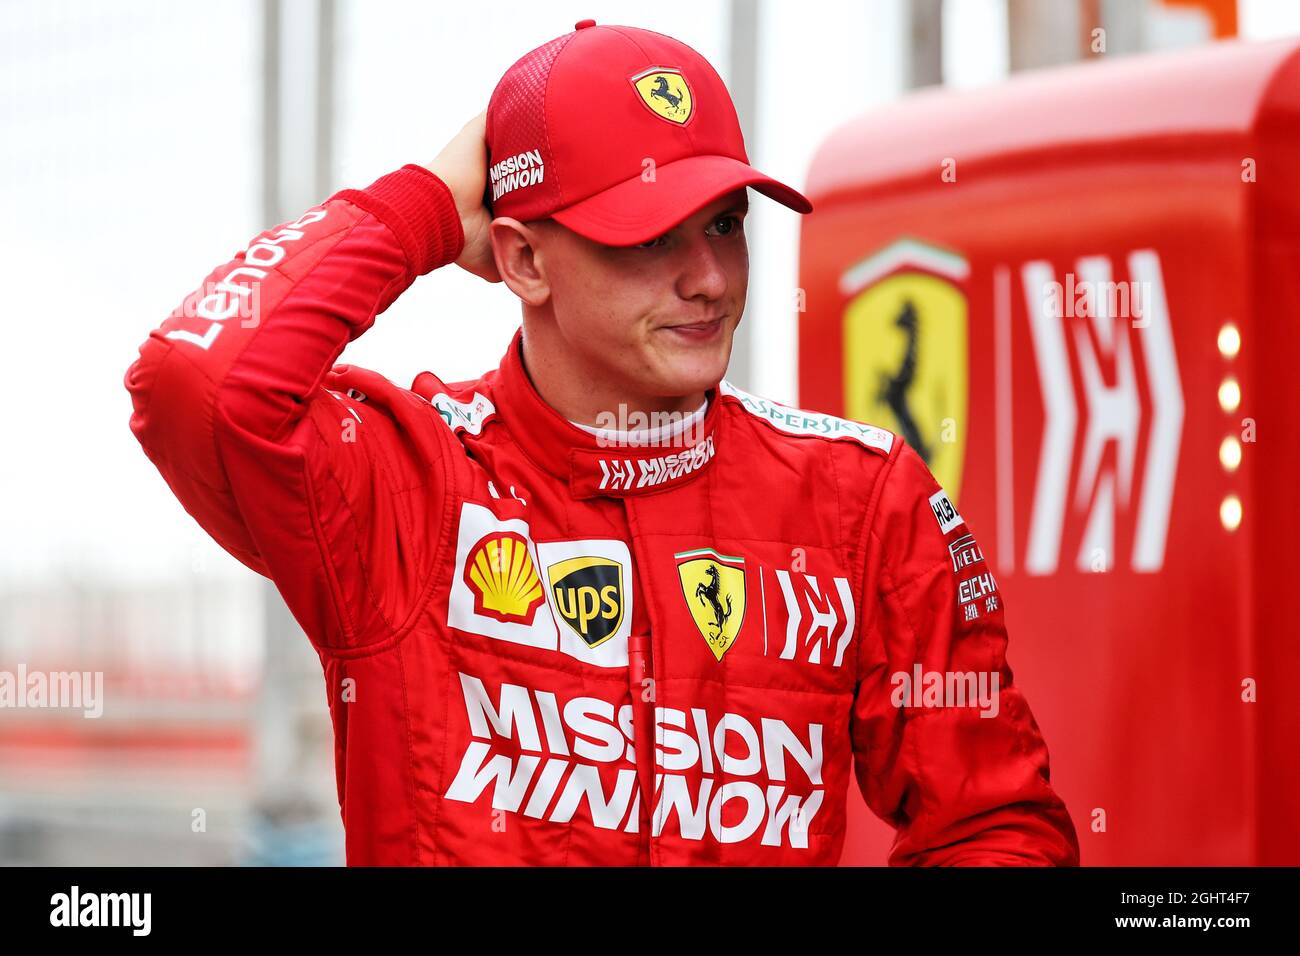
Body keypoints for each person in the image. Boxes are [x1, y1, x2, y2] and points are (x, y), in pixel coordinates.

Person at [125, 19, 1079, 866]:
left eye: (725, 223)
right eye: (653, 233)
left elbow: (997, 828)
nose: (709, 278)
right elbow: (195, 383)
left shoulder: (861, 497)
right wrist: (419, 210)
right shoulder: (411, 485)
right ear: (524, 259)